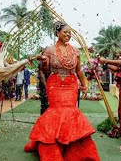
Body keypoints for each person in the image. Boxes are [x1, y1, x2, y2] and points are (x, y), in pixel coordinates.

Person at [24, 21, 100, 160]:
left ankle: (72, 148)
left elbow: (78, 71)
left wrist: (84, 85)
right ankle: (52, 147)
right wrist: (43, 62)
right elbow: (45, 70)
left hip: (71, 84)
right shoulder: (50, 50)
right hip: (55, 84)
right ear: (57, 33)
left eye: (69, 33)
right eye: (65, 32)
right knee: (56, 112)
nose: (68, 35)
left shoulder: (75, 51)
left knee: (71, 112)